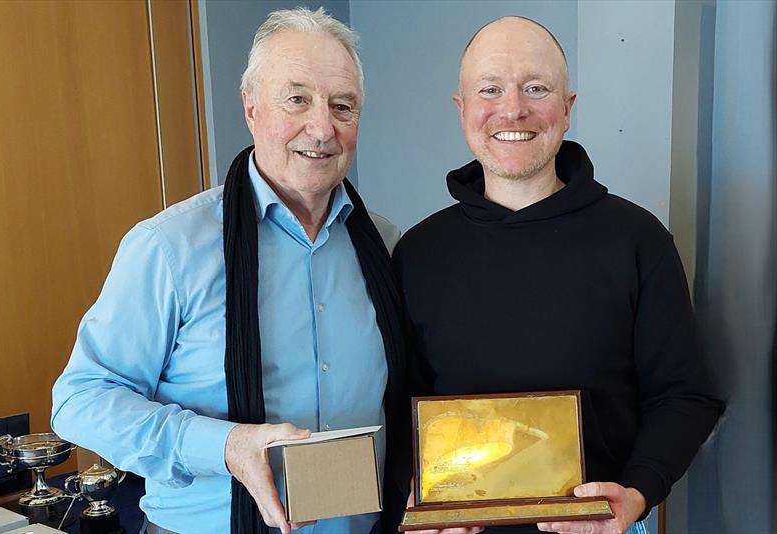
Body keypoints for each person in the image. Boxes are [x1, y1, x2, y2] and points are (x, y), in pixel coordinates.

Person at [51, 7, 408, 534]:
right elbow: (80, 399)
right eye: (297, 99)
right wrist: (223, 445)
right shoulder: (168, 247)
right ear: (250, 108)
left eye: (343, 105)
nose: (322, 126)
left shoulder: (385, 243)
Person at [392, 16, 724, 534]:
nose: (512, 109)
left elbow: (686, 395)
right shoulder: (417, 253)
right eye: (490, 89)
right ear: (461, 109)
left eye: (535, 88)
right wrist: (413, 495)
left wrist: (637, 493)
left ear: (567, 108)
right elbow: (397, 403)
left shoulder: (638, 240)